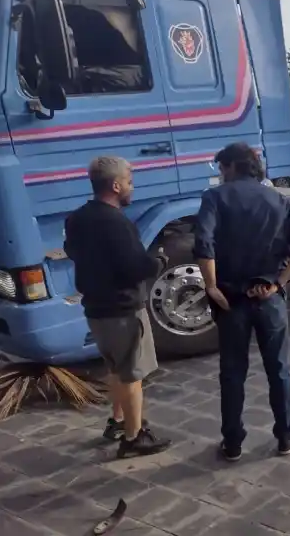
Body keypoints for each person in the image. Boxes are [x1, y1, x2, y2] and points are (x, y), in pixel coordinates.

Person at [194, 143, 290, 462]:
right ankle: (286, 435)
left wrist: (211, 286)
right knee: (278, 369)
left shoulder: (214, 199)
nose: (220, 175)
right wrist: (278, 284)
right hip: (269, 300)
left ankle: (232, 442)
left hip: (231, 302)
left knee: (232, 372)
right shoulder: (280, 200)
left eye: (222, 169)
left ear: (232, 167)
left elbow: (203, 244)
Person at [64, 156, 172, 459]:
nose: (131, 187)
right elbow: (134, 267)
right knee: (132, 375)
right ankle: (134, 438)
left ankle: (118, 421)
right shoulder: (118, 223)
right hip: (123, 310)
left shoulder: (77, 218)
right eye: (129, 181)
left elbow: (74, 251)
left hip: (96, 310)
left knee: (115, 368)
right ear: (115, 185)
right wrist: (158, 262)